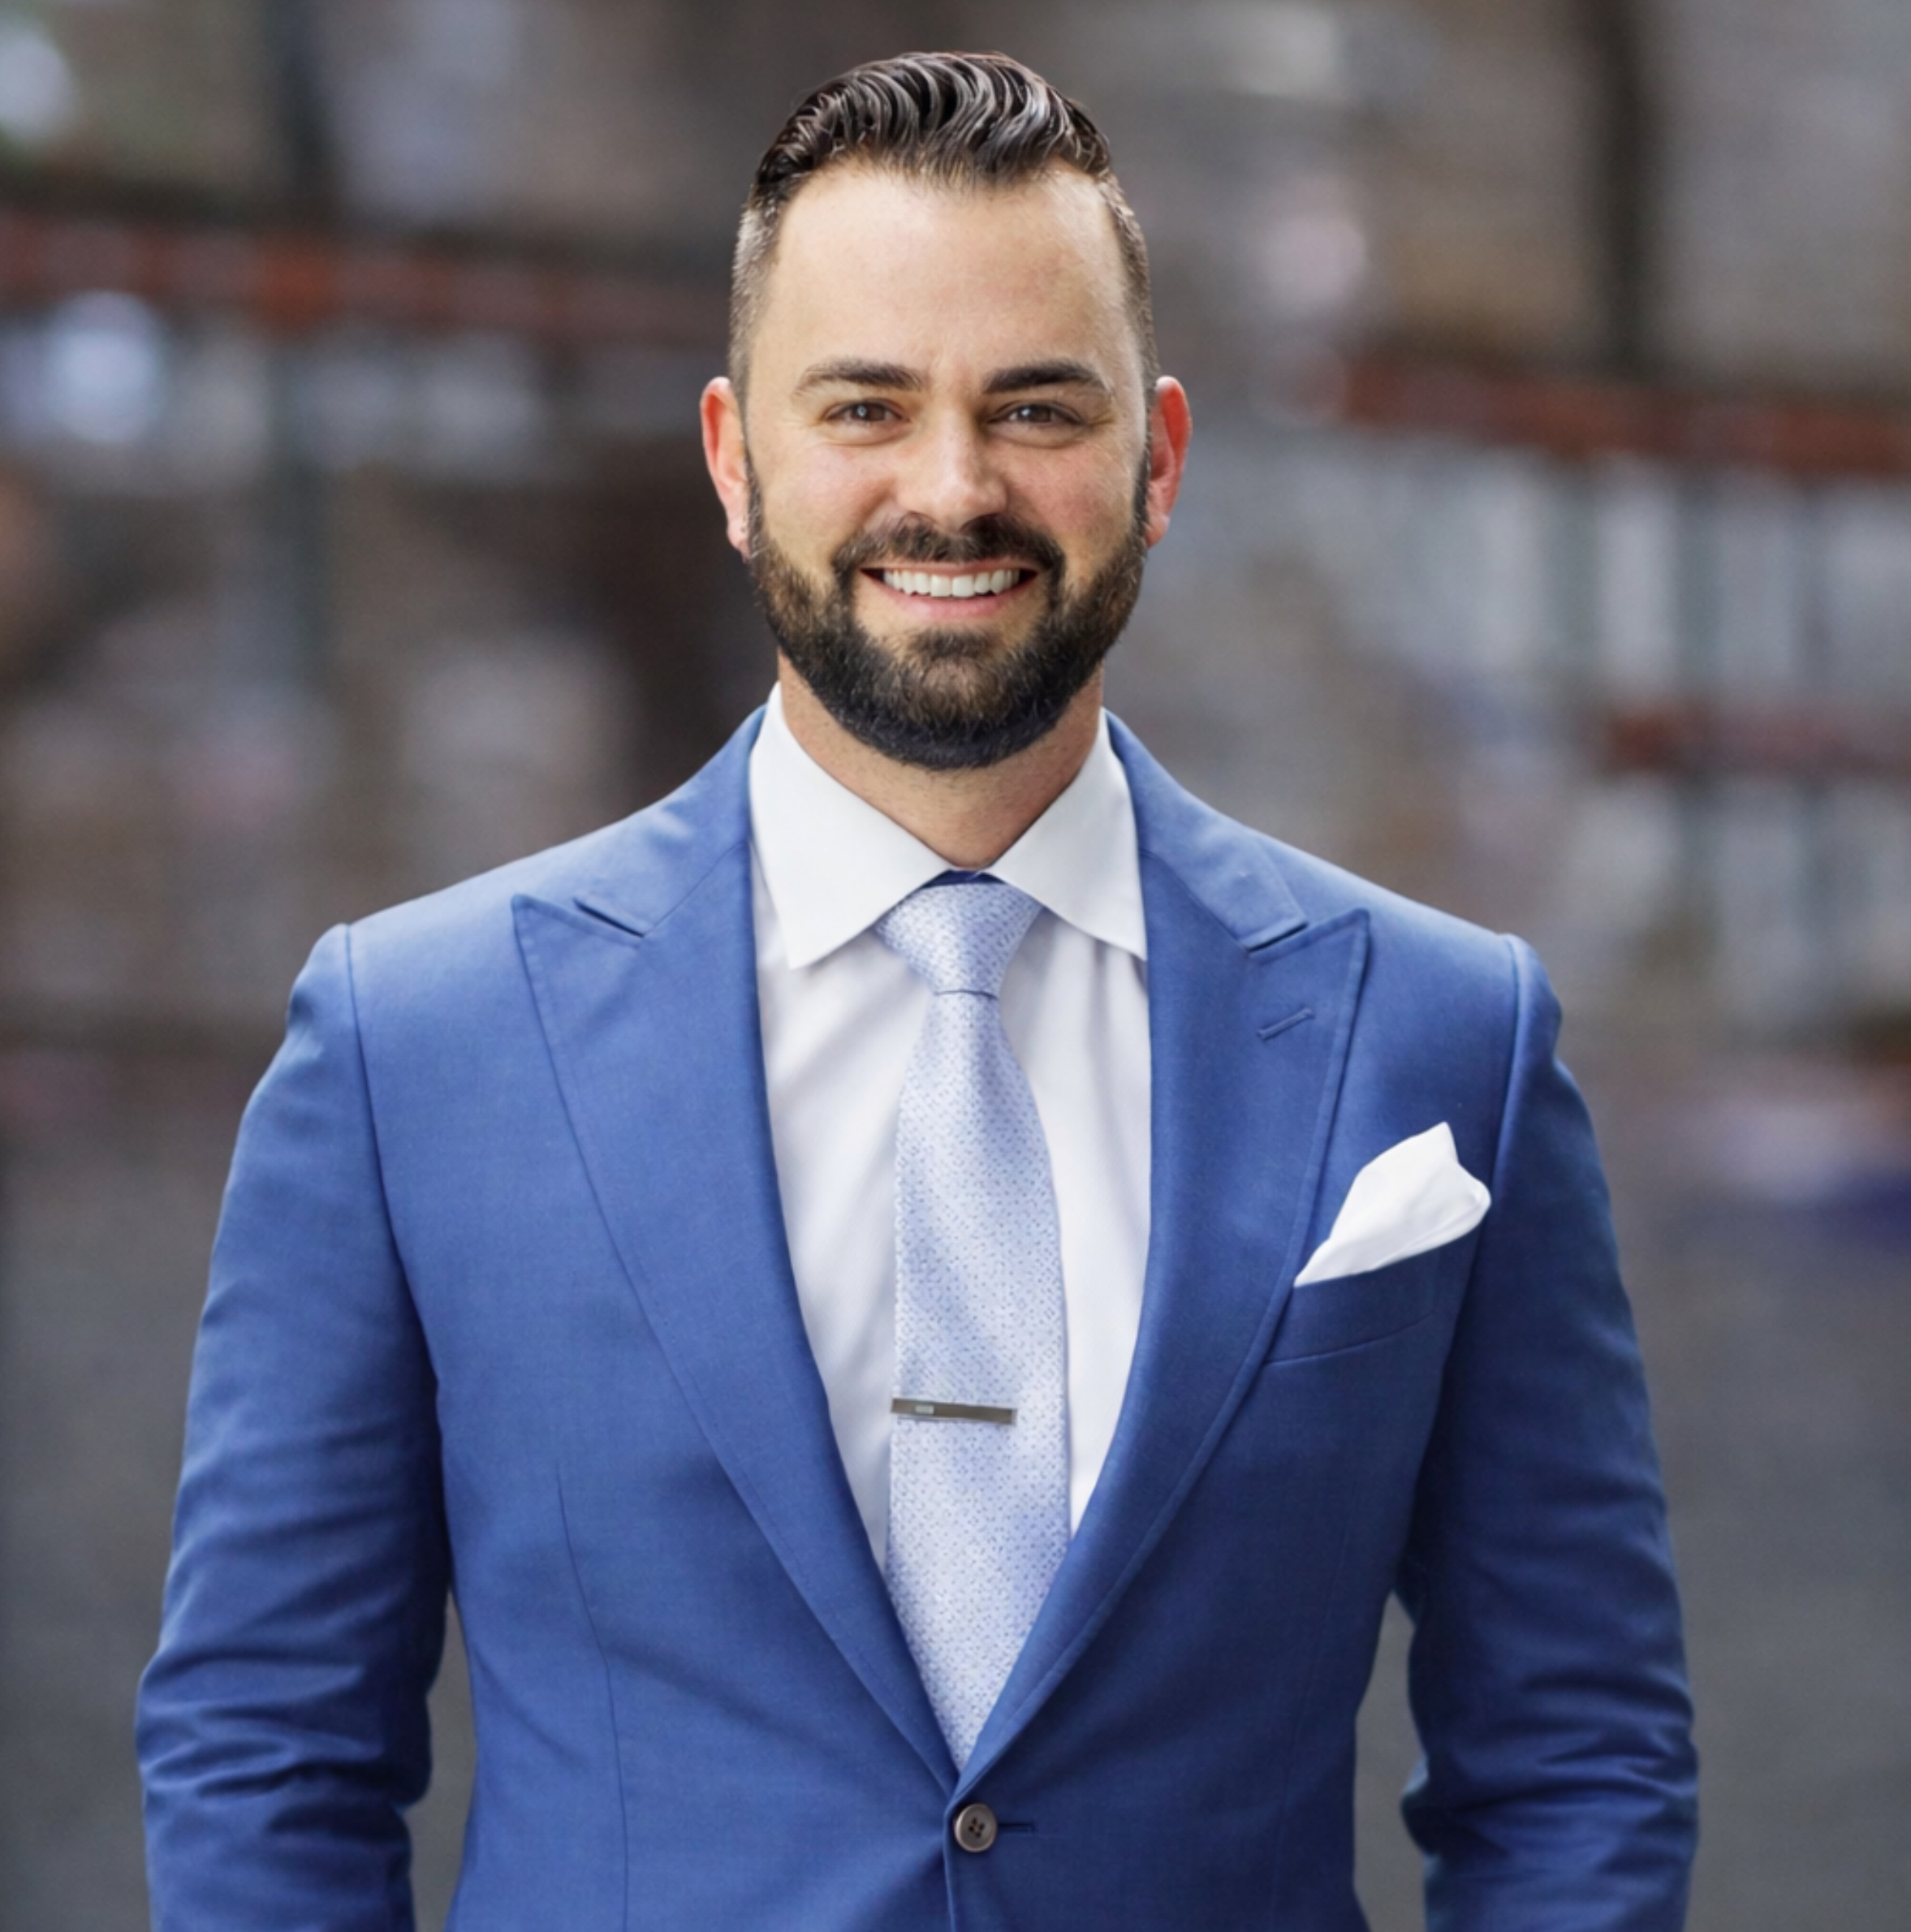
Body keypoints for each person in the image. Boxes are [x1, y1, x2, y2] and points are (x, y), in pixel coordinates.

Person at [138, 50, 1696, 1931]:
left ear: (1158, 458)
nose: (951, 489)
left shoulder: (1447, 1039)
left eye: (1034, 407)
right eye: (865, 407)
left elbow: (1573, 1757)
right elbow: (268, 1757)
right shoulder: (413, 1050)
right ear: (733, 458)